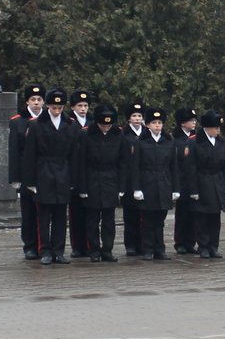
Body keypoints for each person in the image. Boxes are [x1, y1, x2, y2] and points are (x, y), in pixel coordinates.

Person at [23, 89, 76, 264]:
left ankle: (58, 250)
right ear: (48, 106)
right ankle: (45, 250)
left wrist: (73, 180)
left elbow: (74, 155)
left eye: (60, 107)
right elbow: (30, 154)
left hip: (63, 172)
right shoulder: (36, 125)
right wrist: (30, 181)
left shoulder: (70, 124)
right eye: (54, 107)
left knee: (61, 215)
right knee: (44, 215)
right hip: (43, 172)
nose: (57, 111)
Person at [73, 103, 130, 262]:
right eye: (103, 125)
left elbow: (124, 162)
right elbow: (81, 162)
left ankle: (107, 249)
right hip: (92, 179)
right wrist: (82, 187)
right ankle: (94, 250)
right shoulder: (85, 134)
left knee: (109, 220)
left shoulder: (119, 134)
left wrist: (121, 186)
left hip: (111, 179)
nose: (106, 128)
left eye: (108, 125)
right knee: (92, 220)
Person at [179, 109, 225, 257]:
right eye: (216, 128)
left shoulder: (220, 141)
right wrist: (193, 190)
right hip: (201, 182)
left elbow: (224, 165)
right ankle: (203, 246)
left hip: (216, 182)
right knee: (202, 217)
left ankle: (213, 246)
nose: (218, 130)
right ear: (207, 127)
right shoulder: (194, 141)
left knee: (215, 217)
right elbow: (190, 167)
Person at [131, 108, 179, 259]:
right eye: (154, 123)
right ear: (148, 125)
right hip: (147, 183)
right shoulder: (141, 142)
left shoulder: (169, 142)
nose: (157, 126)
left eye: (160, 123)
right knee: (148, 220)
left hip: (164, 183)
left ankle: (160, 248)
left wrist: (175, 188)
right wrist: (136, 188)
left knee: (160, 219)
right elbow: (135, 167)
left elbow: (174, 167)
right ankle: (148, 249)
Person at [9, 84, 45, 259]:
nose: (36, 103)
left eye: (39, 100)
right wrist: (15, 177)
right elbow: (14, 151)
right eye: (33, 100)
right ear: (27, 101)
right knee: (28, 212)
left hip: (45, 171)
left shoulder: (49, 119)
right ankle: (30, 245)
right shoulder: (17, 121)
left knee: (45, 212)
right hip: (26, 172)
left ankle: (44, 244)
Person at [66, 89, 92, 258]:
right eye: (79, 105)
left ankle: (89, 244)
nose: (83, 109)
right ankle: (77, 246)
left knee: (90, 213)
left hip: (90, 172)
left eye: (85, 105)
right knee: (75, 212)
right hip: (74, 171)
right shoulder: (69, 122)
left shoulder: (93, 122)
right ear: (73, 107)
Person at [171, 107, 201, 254]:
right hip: (182, 181)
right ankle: (180, 242)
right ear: (182, 123)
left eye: (195, 120)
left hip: (195, 181)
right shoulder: (175, 139)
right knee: (182, 213)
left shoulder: (197, 137)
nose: (194, 123)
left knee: (194, 213)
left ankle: (191, 241)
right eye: (191, 120)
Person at [121, 101, 148, 256]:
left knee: (144, 215)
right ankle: (130, 245)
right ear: (129, 118)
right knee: (130, 214)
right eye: (134, 116)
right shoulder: (123, 134)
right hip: (129, 179)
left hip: (145, 178)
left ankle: (143, 244)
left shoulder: (147, 133)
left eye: (139, 116)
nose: (137, 119)